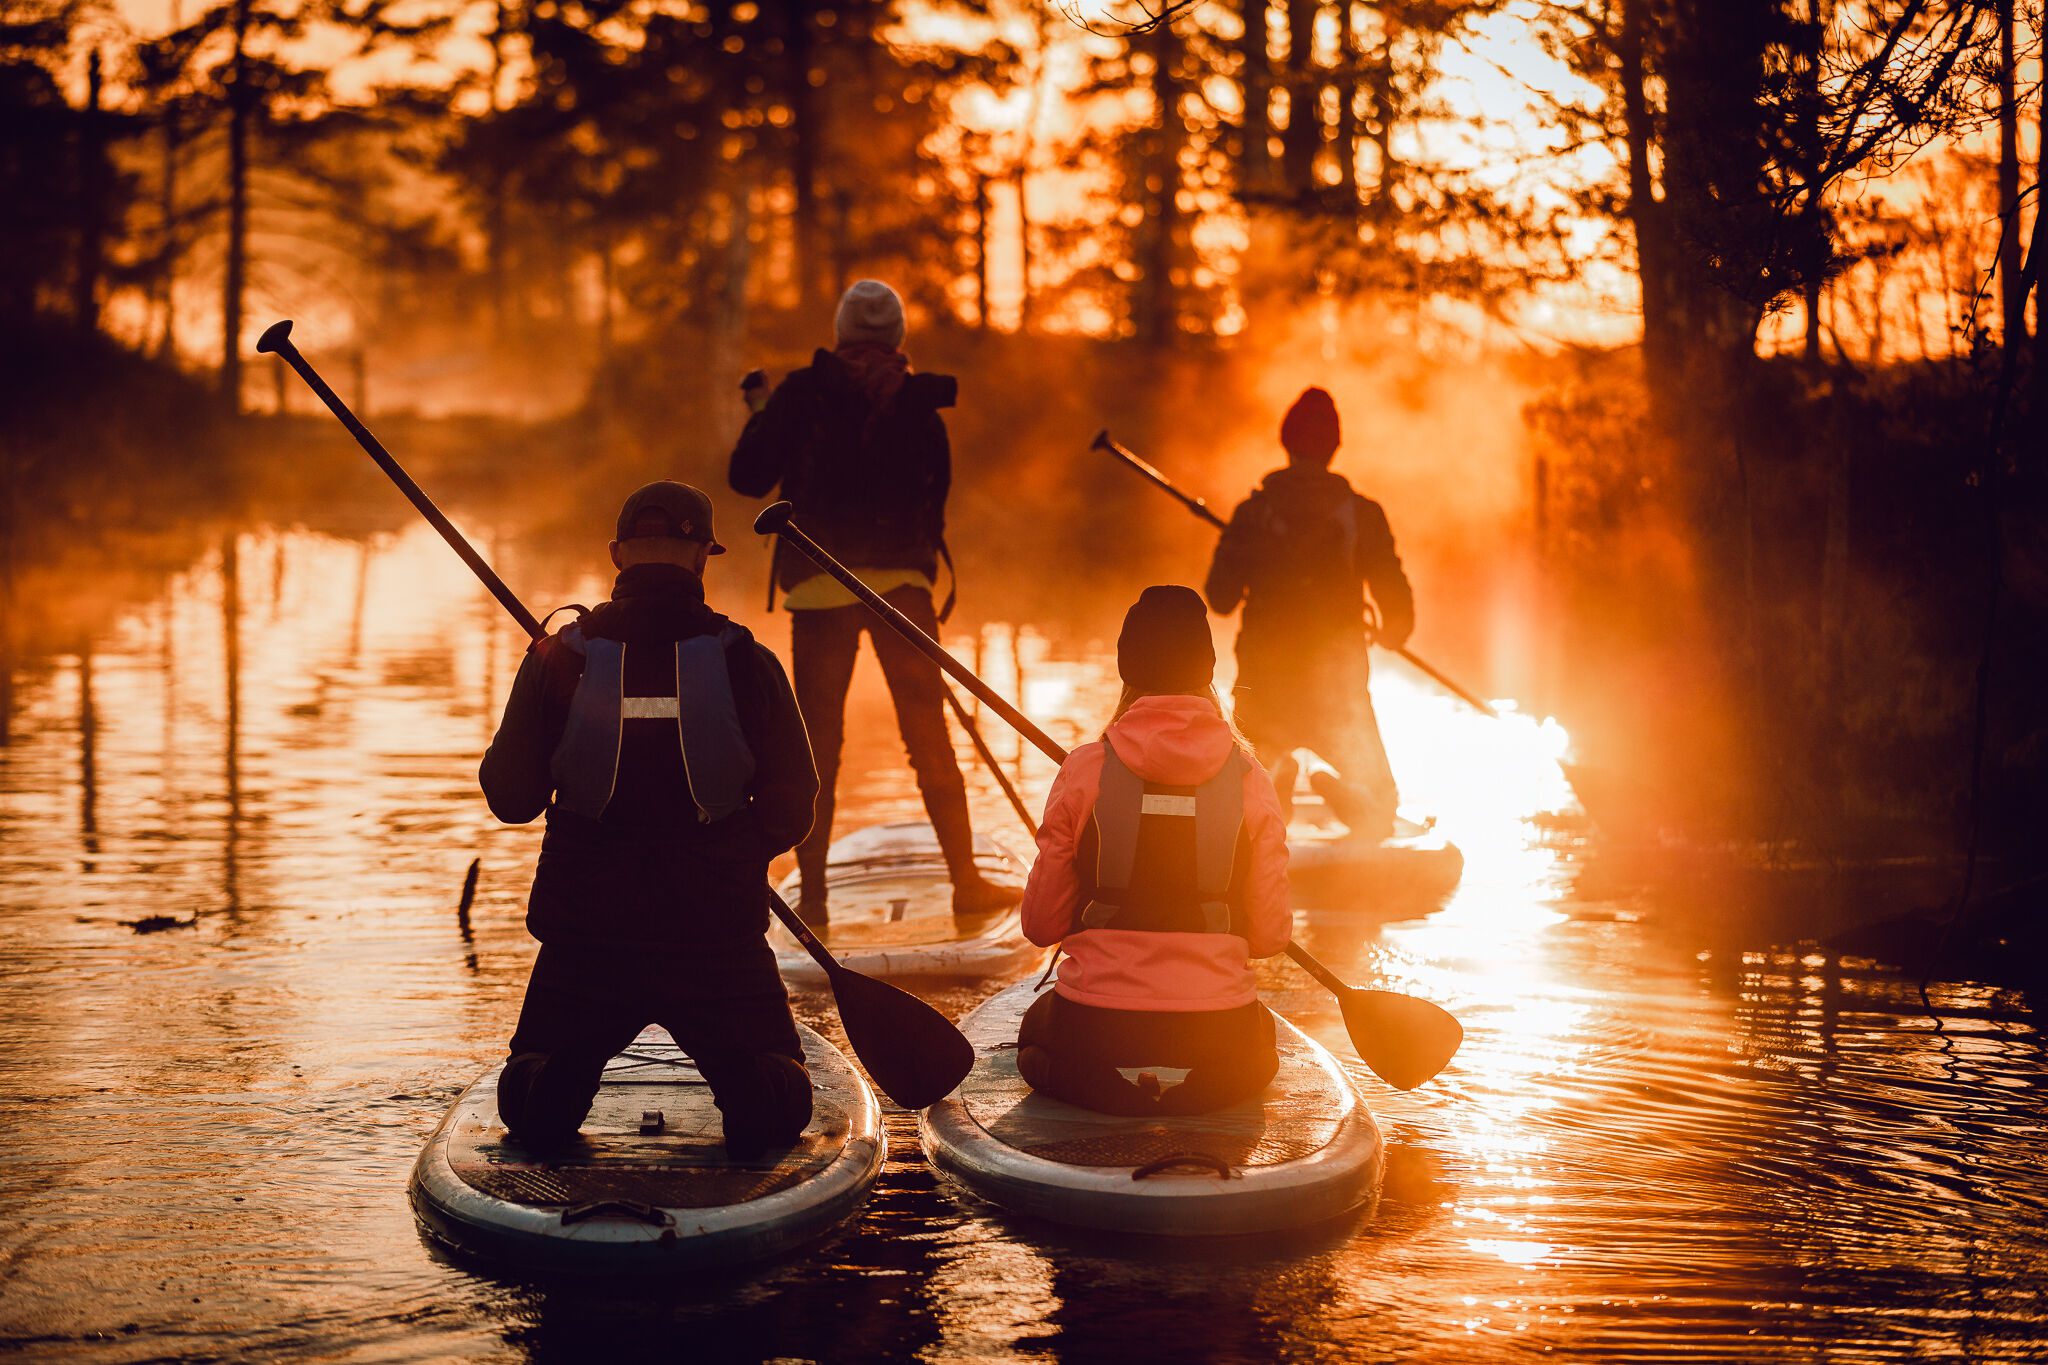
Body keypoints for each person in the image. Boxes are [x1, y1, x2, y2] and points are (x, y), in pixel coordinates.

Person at [479, 481, 821, 1158]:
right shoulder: (746, 660)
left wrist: (540, 675)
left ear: (616, 555)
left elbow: (511, 797)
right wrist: (734, 852)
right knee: (780, 1108)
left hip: (586, 940)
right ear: (701, 558)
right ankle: (747, 1076)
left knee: (528, 1104)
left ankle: (567, 1066)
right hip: (716, 939)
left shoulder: (562, 658)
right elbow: (793, 805)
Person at [728, 278, 1013, 922]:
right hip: (904, 597)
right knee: (928, 739)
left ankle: (817, 901)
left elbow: (747, 477)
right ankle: (967, 882)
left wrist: (761, 414)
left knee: (818, 745)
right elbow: (934, 499)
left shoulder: (801, 395)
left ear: (840, 333)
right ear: (897, 337)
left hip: (820, 590)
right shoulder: (917, 401)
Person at [1015, 585, 1292, 1116]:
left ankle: (1108, 1092)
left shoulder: (1083, 768)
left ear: (1125, 668)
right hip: (1215, 1028)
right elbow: (1270, 936)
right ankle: (1205, 1091)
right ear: (1209, 667)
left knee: (1033, 1035)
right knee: (1260, 1049)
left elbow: (1041, 926)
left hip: (1096, 1027)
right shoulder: (1251, 778)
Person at [1203, 386, 1414, 838]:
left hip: (1263, 688)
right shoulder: (1364, 515)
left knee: (1243, 811)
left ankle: (1273, 782)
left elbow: (1219, 598)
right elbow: (1398, 613)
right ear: (1334, 447)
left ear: (1287, 443)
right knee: (1384, 809)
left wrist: (1241, 547)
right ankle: (1353, 792)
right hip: (1337, 695)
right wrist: (1392, 630)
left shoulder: (1252, 513)